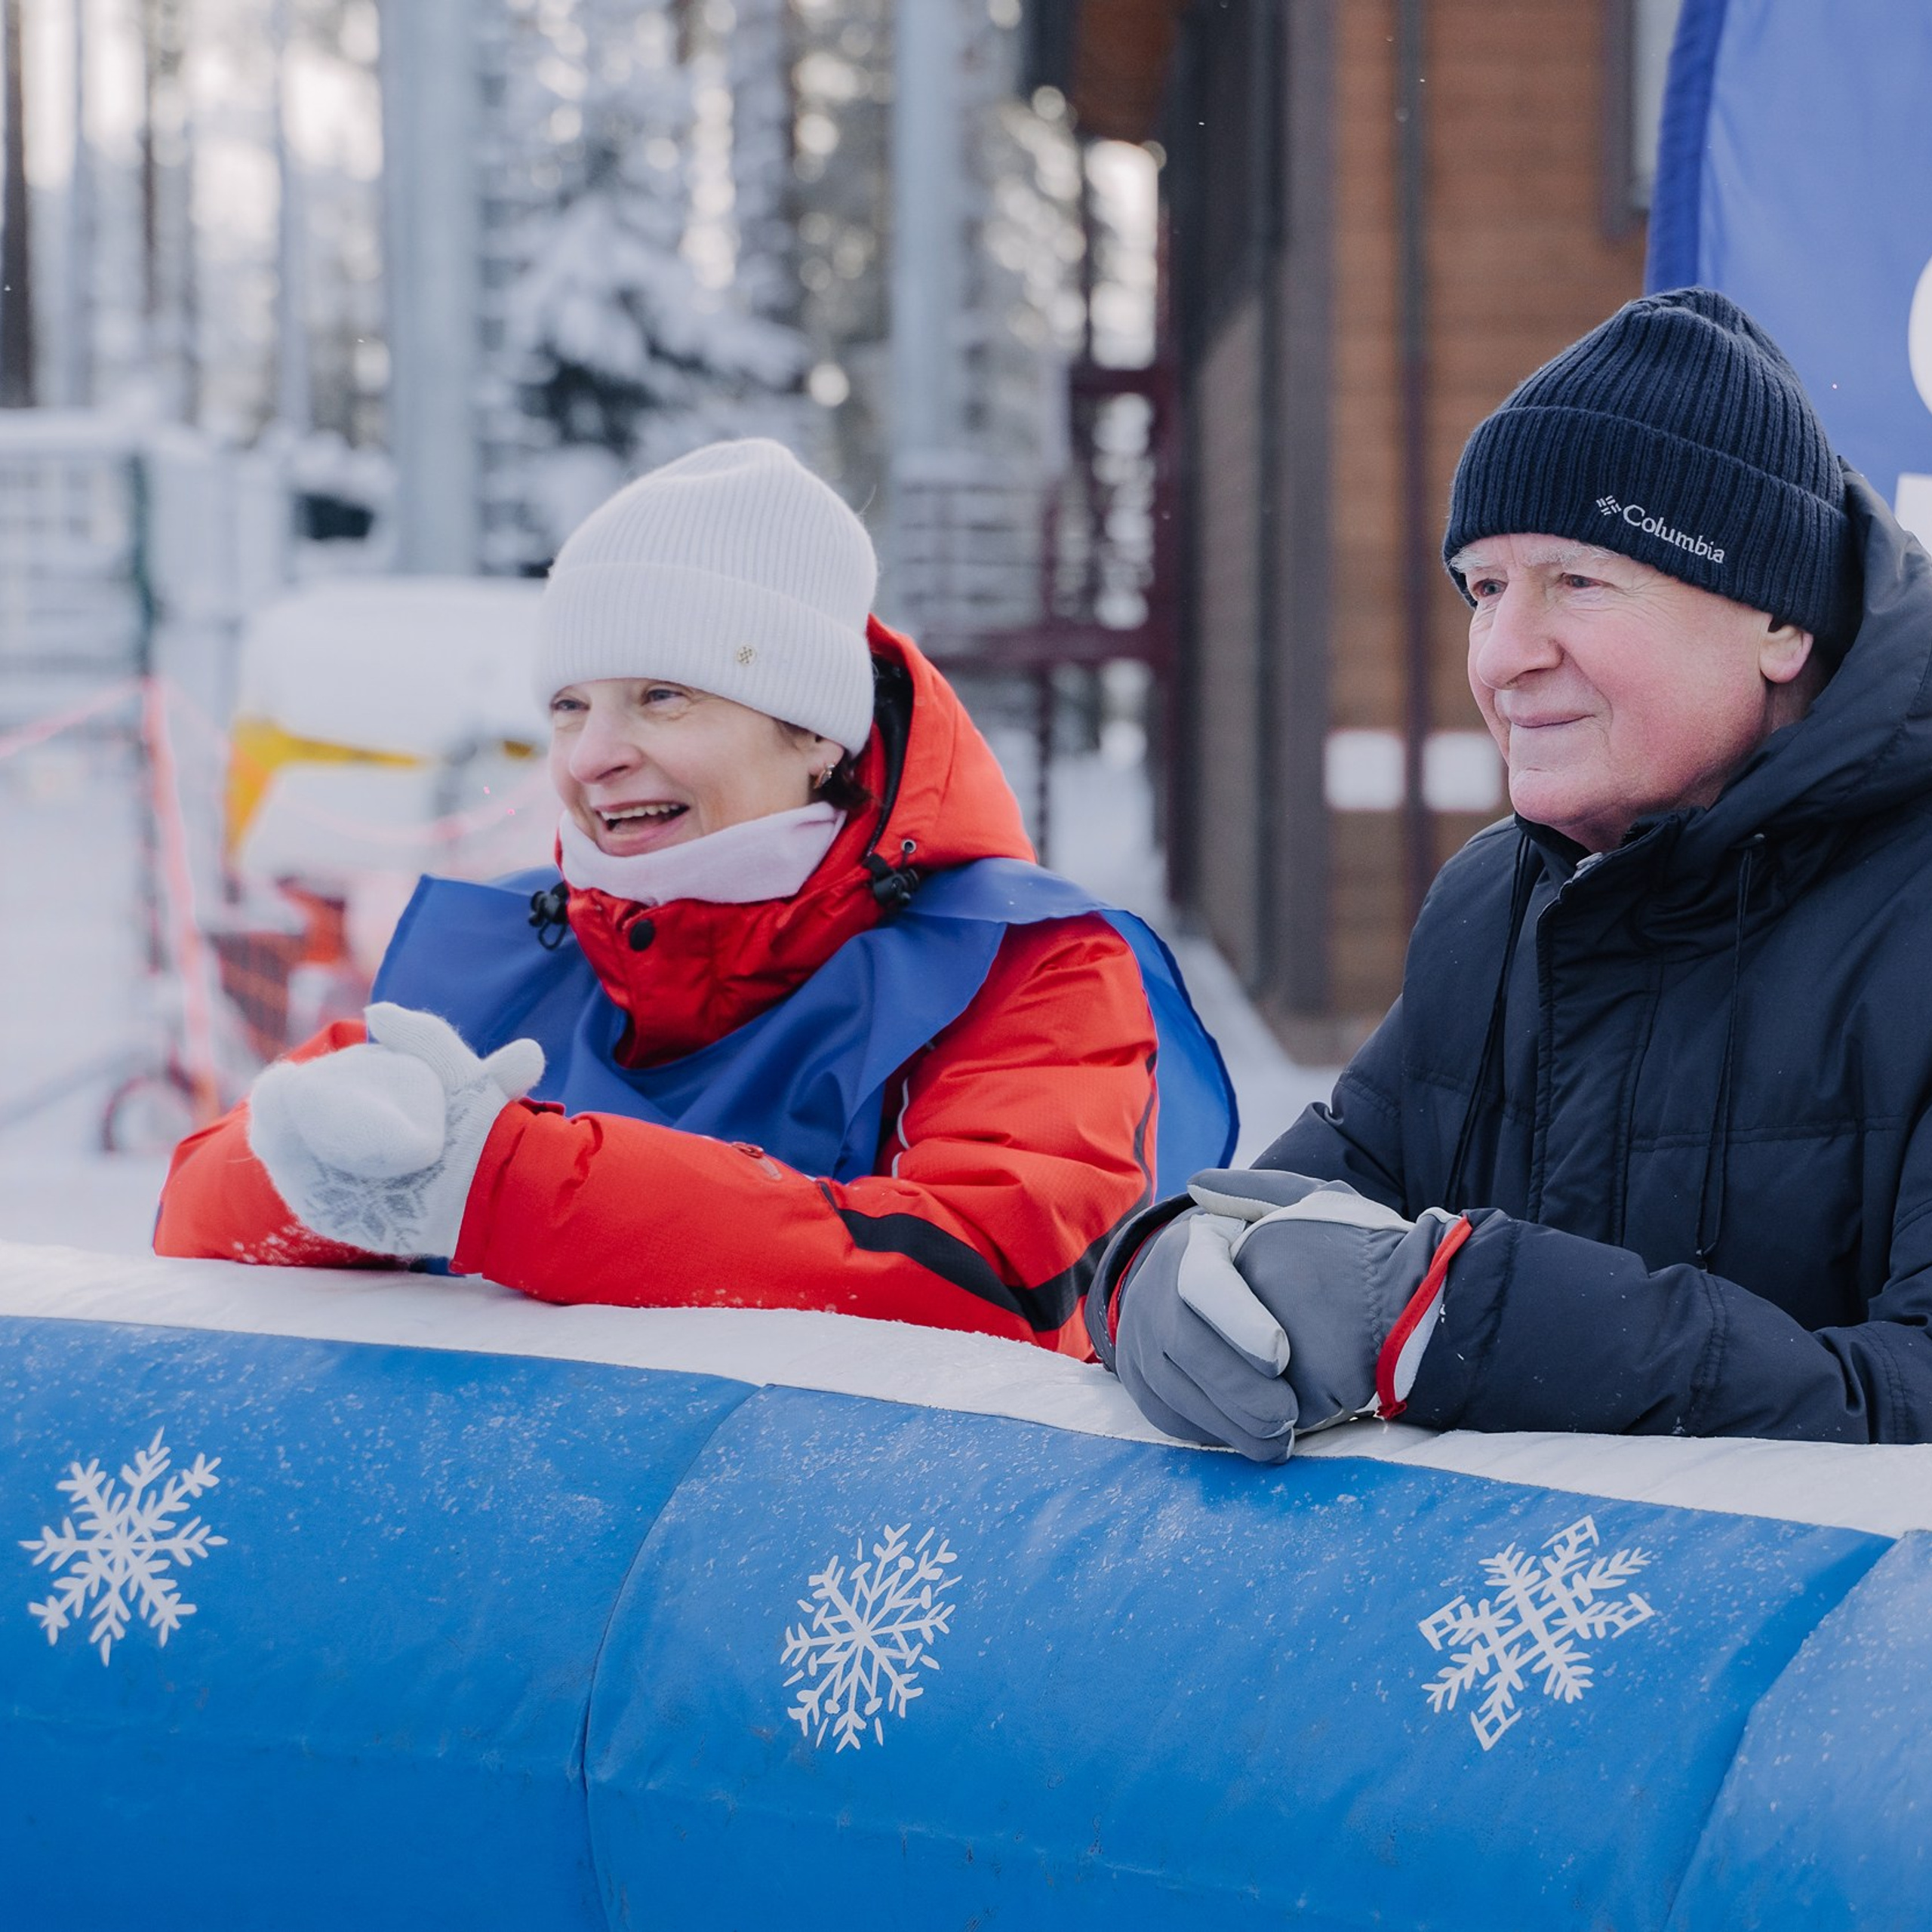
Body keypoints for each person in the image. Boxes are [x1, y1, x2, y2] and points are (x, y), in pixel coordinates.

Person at [156, 439, 1234, 1353]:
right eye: (571, 707)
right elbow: (200, 1210)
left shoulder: (1023, 966)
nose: (592, 756)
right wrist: (324, 1175)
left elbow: (1000, 1281)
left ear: (816, 732)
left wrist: (507, 1189)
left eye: (661, 698)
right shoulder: (521, 943)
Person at [1092, 286, 1932, 1452]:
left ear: (1779, 621)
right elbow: (1295, 1207)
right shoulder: (1498, 903)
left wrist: (1472, 1320)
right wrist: (1155, 1270)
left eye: (1579, 582)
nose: (1505, 656)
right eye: (1485, 589)